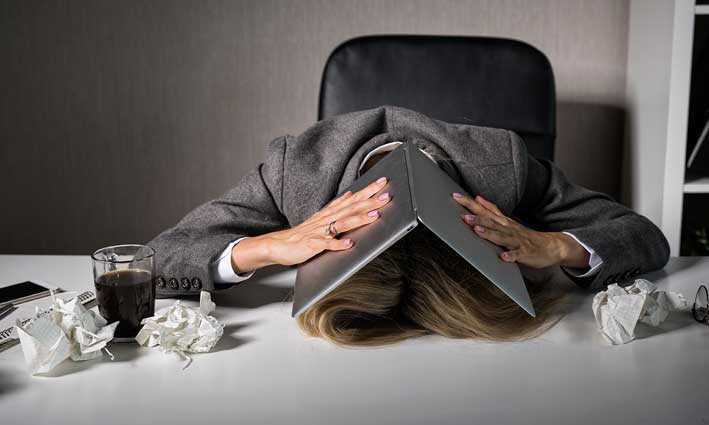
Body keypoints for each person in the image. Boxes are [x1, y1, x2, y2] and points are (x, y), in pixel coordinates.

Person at [148, 106, 670, 346]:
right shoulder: (295, 171)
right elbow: (157, 259)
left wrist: (555, 245)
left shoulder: (503, 166)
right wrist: (264, 248)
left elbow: (644, 236)